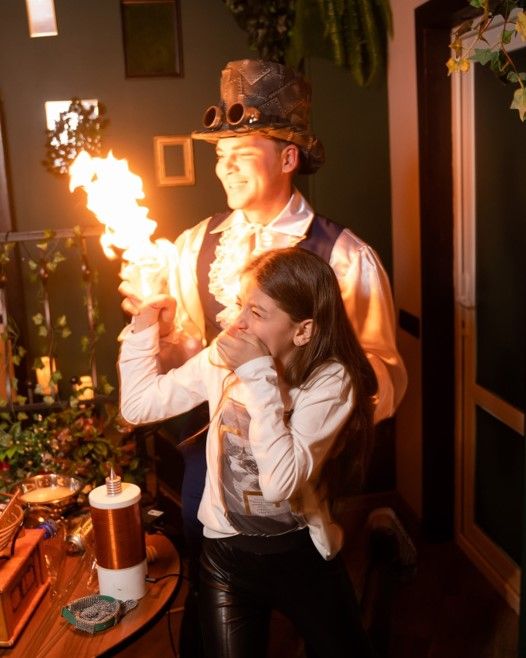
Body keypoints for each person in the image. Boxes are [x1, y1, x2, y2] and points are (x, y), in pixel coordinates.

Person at [120, 58, 408, 656]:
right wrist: (165, 337)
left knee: (319, 604)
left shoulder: (345, 257)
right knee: (211, 597)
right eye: (219, 154)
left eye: (241, 153)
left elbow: (382, 378)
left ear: (287, 157)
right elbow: (191, 355)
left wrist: (303, 387)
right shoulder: (192, 246)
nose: (223, 166)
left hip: (303, 469)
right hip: (211, 464)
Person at [119, 247, 378, 658]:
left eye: (256, 313)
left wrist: (257, 374)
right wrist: (144, 326)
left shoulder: (330, 381)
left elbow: (279, 486)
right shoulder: (223, 358)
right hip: (226, 560)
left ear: (303, 331)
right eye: (240, 305)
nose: (237, 323)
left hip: (301, 556)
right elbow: (138, 406)